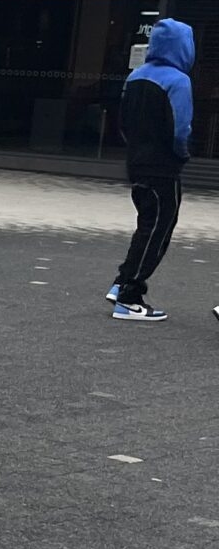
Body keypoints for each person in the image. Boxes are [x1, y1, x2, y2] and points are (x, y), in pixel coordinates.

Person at [109, 17, 193, 321]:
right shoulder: (179, 81)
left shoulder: (136, 75)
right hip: (163, 166)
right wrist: (181, 155)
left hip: (137, 162)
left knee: (146, 225)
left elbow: (122, 121)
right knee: (159, 230)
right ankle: (130, 295)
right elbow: (180, 129)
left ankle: (122, 282)